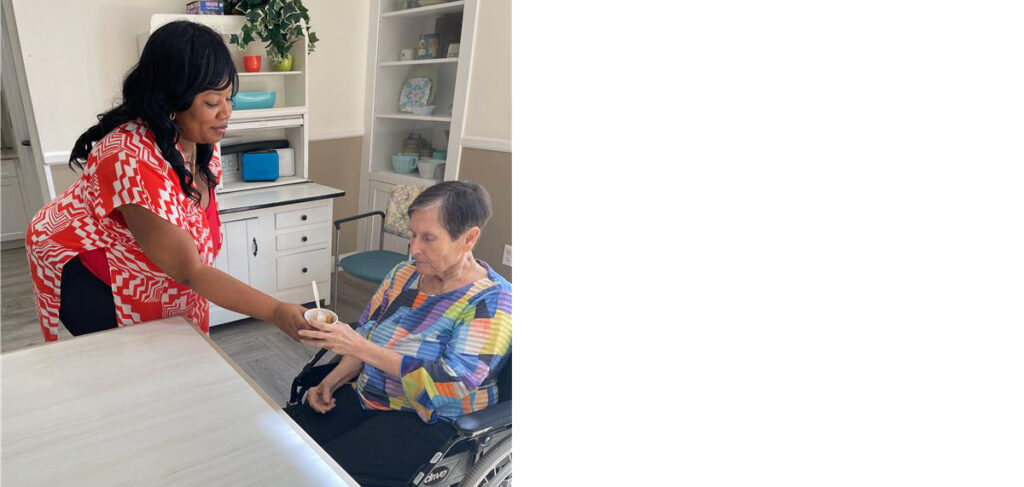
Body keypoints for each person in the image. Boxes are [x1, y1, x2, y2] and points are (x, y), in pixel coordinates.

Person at [25, 21, 310, 342]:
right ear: (171, 101)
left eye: (230, 98)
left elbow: (193, 231)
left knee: (173, 337)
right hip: (85, 263)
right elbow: (191, 271)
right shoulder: (128, 158)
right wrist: (274, 311)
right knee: (129, 357)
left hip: (138, 246)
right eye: (213, 102)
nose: (227, 112)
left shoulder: (201, 138)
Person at [291, 181, 512, 487]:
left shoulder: (492, 300)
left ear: (469, 238)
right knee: (288, 445)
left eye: (428, 238)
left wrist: (360, 346)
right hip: (368, 395)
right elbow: (367, 335)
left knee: (320, 476)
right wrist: (329, 383)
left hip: (429, 420)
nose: (414, 248)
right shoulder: (403, 274)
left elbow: (450, 383)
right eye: (412, 234)